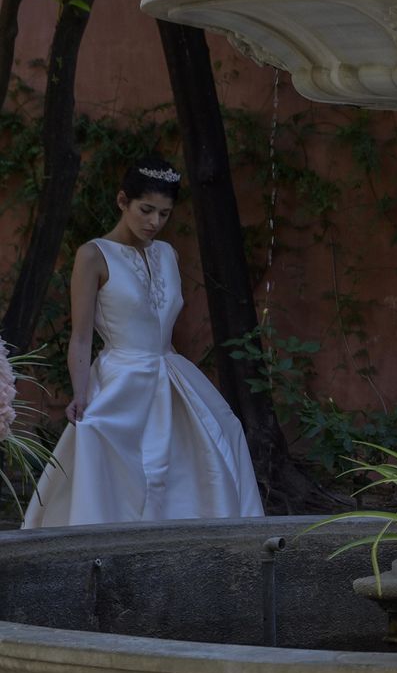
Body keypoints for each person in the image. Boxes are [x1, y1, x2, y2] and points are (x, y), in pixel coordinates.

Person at [23, 158, 263, 528]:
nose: (154, 222)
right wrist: (80, 392)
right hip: (122, 374)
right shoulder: (93, 255)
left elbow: (163, 323)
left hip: (171, 371)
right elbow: (82, 335)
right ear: (123, 201)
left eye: (164, 214)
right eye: (146, 210)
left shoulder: (167, 254)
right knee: (100, 433)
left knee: (222, 429)